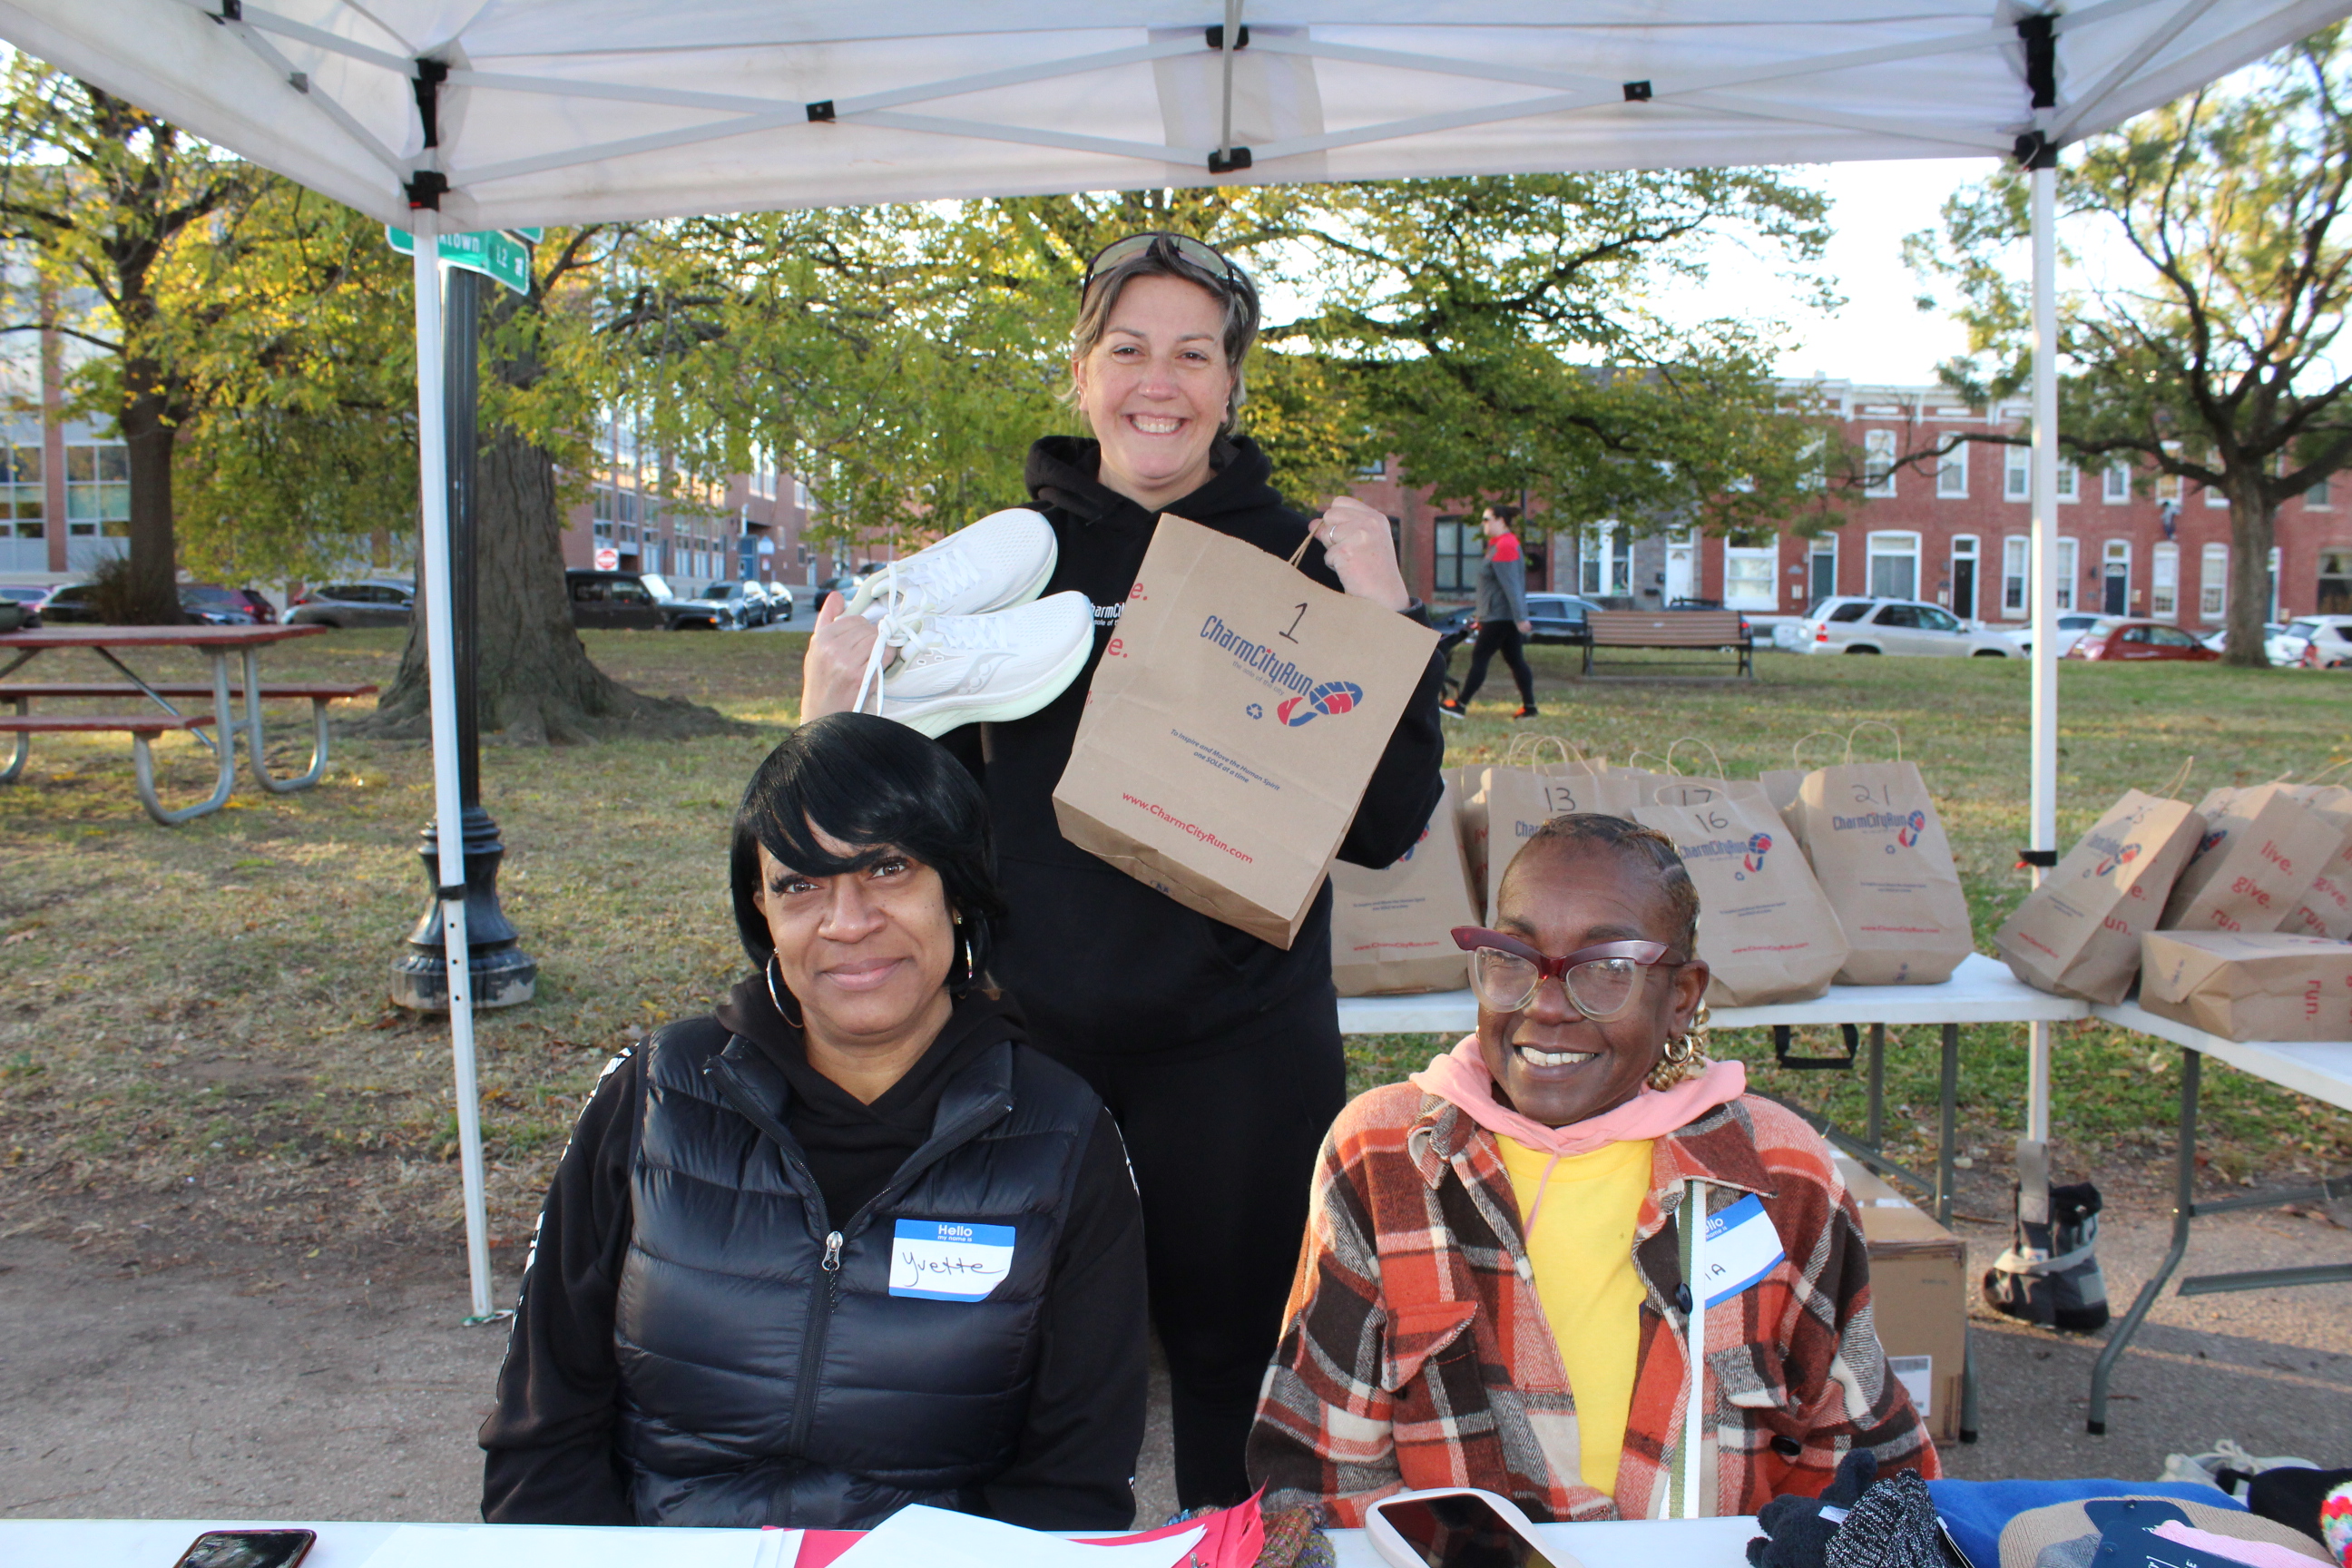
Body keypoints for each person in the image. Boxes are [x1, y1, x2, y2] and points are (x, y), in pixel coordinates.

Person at [798, 232, 1446, 1507]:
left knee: (1235, 1361)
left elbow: (1384, 825)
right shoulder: (1002, 565)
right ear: (1083, 373)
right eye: (1129, 349)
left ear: (1232, 385)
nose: (1162, 382)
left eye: (1194, 354)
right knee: (996, 1357)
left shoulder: (1301, 556)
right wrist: (837, 701)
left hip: (1241, 1040)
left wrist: (1392, 620)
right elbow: (898, 819)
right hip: (1028, 1033)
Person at [478, 713, 1149, 1531]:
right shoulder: (655, 1097)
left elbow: (1071, 1489)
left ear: (958, 888)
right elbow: (543, 1439)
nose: (847, 921)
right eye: (800, 884)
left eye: (888, 868)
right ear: (760, 907)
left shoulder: (1062, 1138)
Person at [1250, 813, 1938, 1524]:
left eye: (1607, 971)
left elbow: (1863, 1464)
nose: (1546, 1005)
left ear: (1681, 996)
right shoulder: (1386, 1154)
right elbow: (1324, 1471)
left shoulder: (1775, 1174)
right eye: (1513, 957)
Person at [1442, 504, 1539, 720]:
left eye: (1487, 519)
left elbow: (1512, 585)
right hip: (1498, 615)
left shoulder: (1505, 546)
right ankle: (1529, 707)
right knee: (1515, 660)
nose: (1483, 524)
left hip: (1499, 617)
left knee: (1480, 657)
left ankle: (1460, 704)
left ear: (1501, 521)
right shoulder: (1498, 545)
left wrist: (1521, 618)